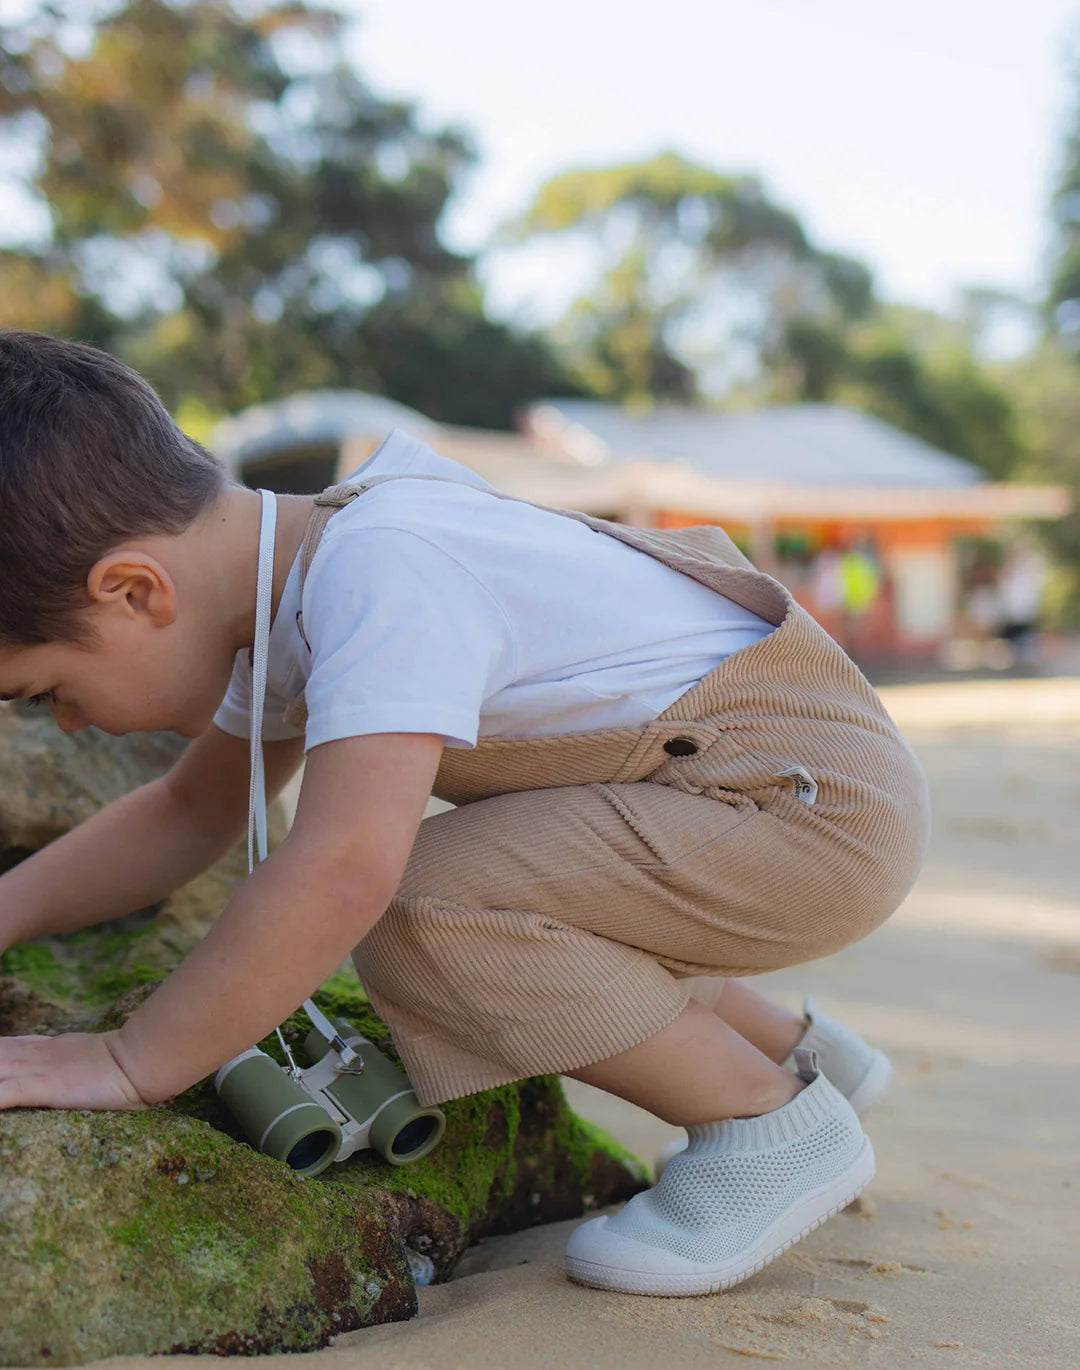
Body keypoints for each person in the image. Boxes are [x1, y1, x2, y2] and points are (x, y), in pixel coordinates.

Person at [0, 331, 930, 1298]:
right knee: (516, 876)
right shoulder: (291, 586)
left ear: (135, 590)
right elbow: (184, 814)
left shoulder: (382, 570)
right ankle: (803, 1056)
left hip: (802, 812)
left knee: (419, 907)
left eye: (43, 690)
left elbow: (343, 872)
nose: (67, 721)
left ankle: (764, 1123)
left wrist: (131, 1061)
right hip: (750, 794)